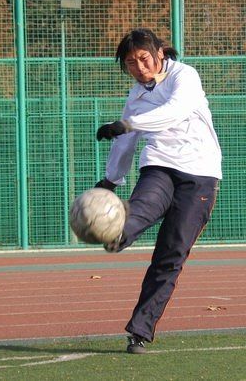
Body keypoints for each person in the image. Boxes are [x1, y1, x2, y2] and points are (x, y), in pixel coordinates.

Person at [95, 28, 222, 354]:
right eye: (130, 63)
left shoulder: (185, 77)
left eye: (143, 58)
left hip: (200, 176)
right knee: (141, 206)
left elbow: (173, 112)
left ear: (160, 54)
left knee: (170, 255)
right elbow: (125, 142)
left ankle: (139, 330)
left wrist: (127, 124)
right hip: (160, 167)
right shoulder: (136, 96)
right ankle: (117, 233)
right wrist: (111, 181)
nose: (138, 67)